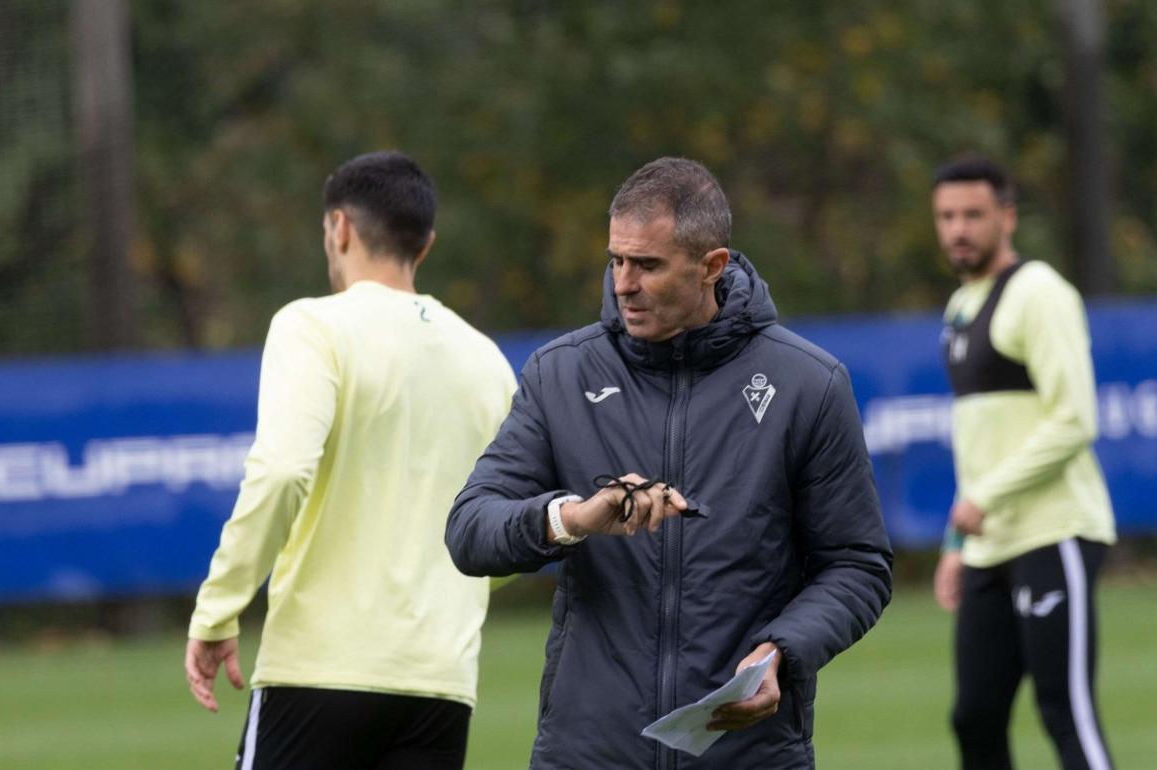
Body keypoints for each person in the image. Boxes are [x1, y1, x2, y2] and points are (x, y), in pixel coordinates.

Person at [445, 157, 893, 769]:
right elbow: (470, 530)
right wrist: (571, 519)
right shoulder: (560, 374)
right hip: (588, 754)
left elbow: (858, 564)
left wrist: (781, 652)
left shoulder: (807, 384)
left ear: (712, 266)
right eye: (616, 261)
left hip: (748, 755)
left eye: (647, 265)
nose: (623, 284)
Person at [184, 151, 517, 770]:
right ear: (426, 244)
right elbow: (502, 534)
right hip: (440, 684)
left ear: (339, 227)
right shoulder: (487, 360)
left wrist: (218, 608)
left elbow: (283, 471)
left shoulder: (313, 326)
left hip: (319, 670)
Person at [930, 157, 1116, 770]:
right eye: (946, 216)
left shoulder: (1040, 293)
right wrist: (957, 543)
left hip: (1052, 532)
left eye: (973, 214)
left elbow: (1076, 419)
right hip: (988, 548)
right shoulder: (960, 305)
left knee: (1065, 712)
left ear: (1007, 217)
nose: (959, 229)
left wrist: (984, 499)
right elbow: (980, 438)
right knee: (974, 718)